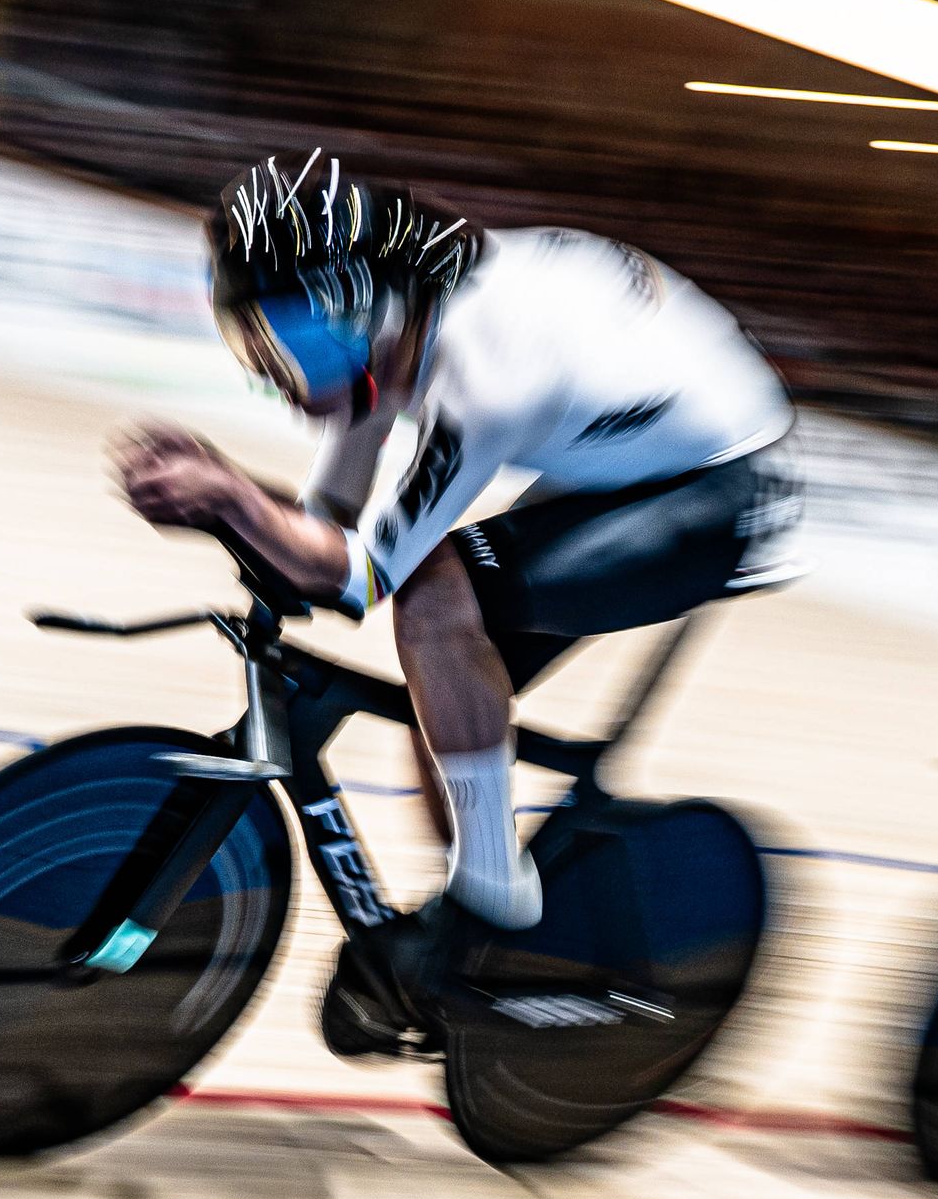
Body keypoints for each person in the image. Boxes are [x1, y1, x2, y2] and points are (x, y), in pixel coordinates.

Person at [112, 150, 797, 1041]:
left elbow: (365, 575)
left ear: (362, 305)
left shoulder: (484, 365)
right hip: (628, 450)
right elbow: (331, 518)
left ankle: (490, 895)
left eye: (296, 341)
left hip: (715, 491)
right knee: (452, 702)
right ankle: (476, 934)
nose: (281, 370)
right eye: (260, 346)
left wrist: (237, 498)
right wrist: (237, 508)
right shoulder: (397, 316)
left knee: (436, 603)